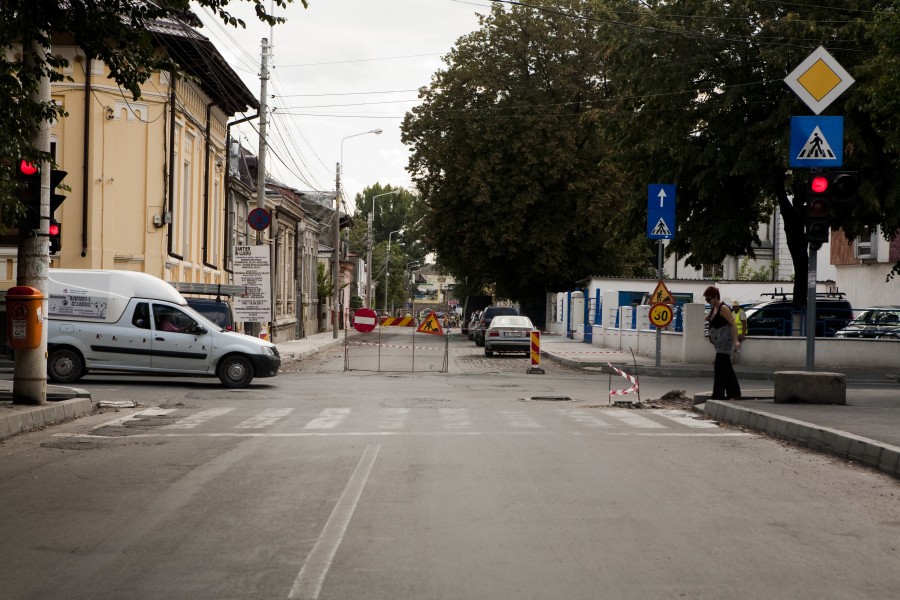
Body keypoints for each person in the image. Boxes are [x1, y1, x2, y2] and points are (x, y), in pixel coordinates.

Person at [703, 285, 741, 400]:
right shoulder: (713, 308)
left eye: (709, 299)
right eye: (706, 300)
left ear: (715, 297)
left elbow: (733, 324)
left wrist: (736, 340)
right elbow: (709, 319)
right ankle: (734, 393)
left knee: (719, 367)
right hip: (718, 342)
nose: (708, 301)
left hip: (725, 341)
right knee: (726, 367)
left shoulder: (723, 308)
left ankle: (718, 394)